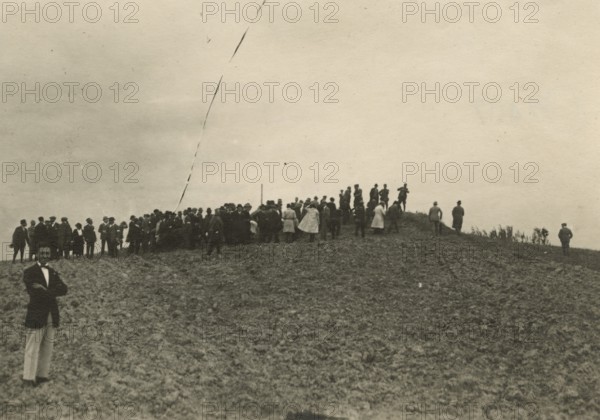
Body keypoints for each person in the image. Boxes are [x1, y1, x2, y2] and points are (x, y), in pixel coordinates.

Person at [22, 246, 68, 387]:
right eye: (42, 253)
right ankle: (28, 378)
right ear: (36, 254)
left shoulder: (53, 272)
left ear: (50, 254)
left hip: (51, 313)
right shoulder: (29, 272)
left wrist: (44, 289)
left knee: (48, 346)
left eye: (47, 253)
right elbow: (34, 292)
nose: (44, 255)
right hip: (36, 313)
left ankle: (42, 375)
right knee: (32, 346)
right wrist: (51, 292)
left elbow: (64, 289)